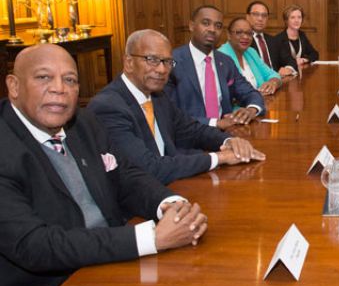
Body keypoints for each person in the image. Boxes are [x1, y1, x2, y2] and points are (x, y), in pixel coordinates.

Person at [0, 44, 208, 286]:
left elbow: (126, 176)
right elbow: (35, 245)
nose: (59, 89)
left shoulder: (82, 122)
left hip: (111, 268)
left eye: (70, 80)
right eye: (44, 78)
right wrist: (151, 238)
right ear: (14, 86)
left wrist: (170, 205)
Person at [89, 29, 266, 185]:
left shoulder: (158, 96)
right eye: (152, 60)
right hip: (136, 207)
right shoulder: (108, 106)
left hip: (174, 183)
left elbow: (191, 130)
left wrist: (229, 141)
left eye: (167, 62)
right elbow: (149, 168)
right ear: (128, 62)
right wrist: (219, 157)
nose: (161, 69)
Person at [167, 5, 266, 130]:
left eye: (218, 26)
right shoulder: (171, 62)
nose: (212, 29)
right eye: (206, 23)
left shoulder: (225, 62)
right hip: (188, 139)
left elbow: (250, 93)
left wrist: (251, 109)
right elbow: (168, 113)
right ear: (191, 26)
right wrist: (214, 123)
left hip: (226, 135)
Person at [219, 17, 282, 95]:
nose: (245, 37)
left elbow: (272, 74)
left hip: (261, 102)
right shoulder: (221, 56)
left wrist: (273, 82)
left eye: (249, 33)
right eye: (239, 32)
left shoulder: (251, 52)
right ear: (229, 35)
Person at [247, 0, 298, 77]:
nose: (260, 19)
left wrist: (288, 68)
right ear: (247, 17)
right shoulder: (243, 42)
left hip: (277, 82)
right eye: (256, 14)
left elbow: (290, 60)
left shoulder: (274, 40)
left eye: (264, 15)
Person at [273, 4, 319, 71]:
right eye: (292, 17)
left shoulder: (302, 35)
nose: (296, 20)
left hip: (301, 73)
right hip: (285, 76)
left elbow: (314, 53)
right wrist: (296, 61)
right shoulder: (278, 39)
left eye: (299, 17)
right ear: (286, 20)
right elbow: (284, 60)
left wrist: (304, 59)